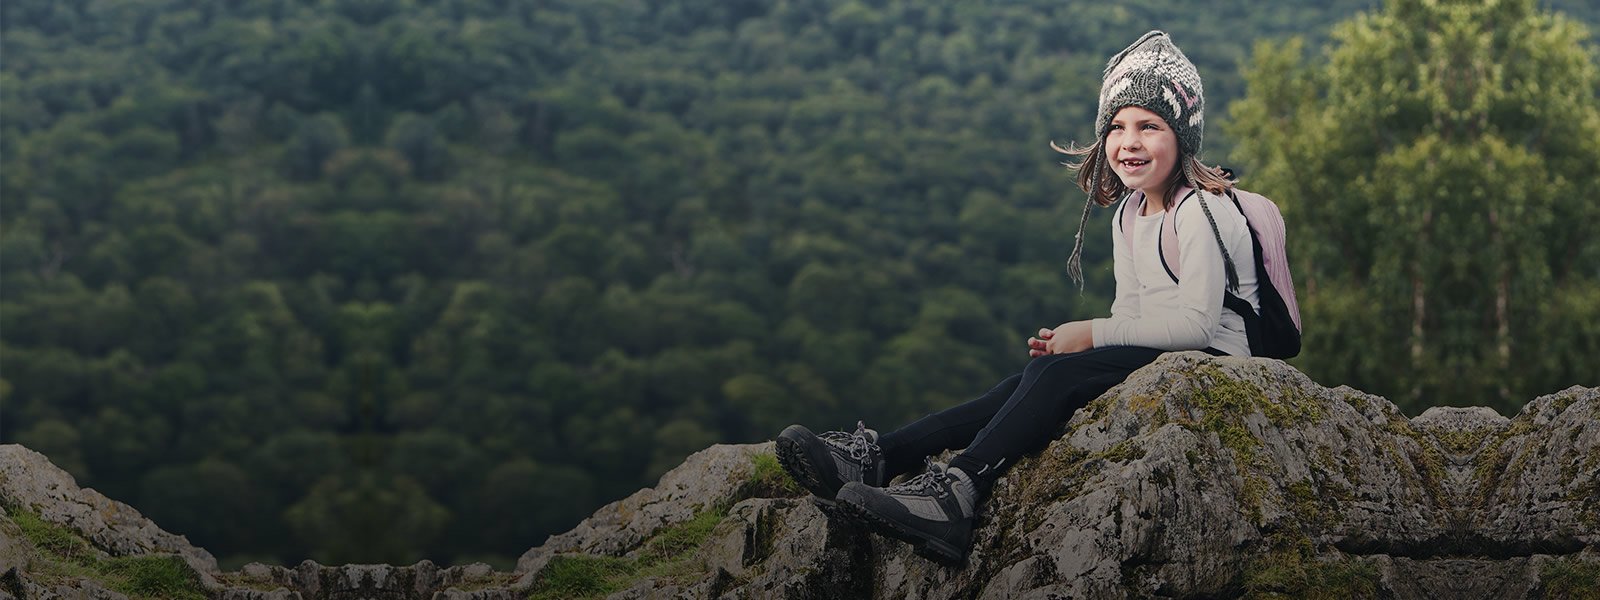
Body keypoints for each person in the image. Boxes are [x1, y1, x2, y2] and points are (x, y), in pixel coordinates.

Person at [774, 30, 1262, 564]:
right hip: (1166, 350)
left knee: (1052, 378)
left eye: (1151, 126)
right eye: (1117, 127)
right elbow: (1136, 314)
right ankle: (881, 458)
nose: (1130, 143)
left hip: (1215, 359)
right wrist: (1087, 345)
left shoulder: (1201, 210)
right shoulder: (1130, 212)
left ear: (1183, 136)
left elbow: (1196, 324)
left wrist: (1093, 334)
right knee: (1027, 381)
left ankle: (957, 494)